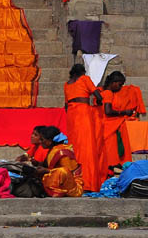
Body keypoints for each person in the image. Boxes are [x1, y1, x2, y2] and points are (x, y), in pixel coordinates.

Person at [64, 63, 105, 192]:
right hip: (83, 114)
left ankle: (74, 181)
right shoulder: (85, 79)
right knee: (87, 147)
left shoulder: (67, 84)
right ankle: (88, 183)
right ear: (83, 72)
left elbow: (66, 105)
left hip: (71, 115)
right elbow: (98, 95)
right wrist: (98, 102)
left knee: (74, 147)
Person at [20, 125, 83, 197]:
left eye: (42, 139)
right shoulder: (52, 150)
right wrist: (37, 163)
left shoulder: (63, 152)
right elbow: (50, 166)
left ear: (49, 141)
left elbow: (68, 174)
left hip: (74, 187)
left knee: (62, 171)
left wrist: (47, 171)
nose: (40, 142)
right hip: (59, 180)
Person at [101, 71, 145, 173]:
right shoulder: (108, 93)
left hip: (107, 124)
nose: (120, 88)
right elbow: (108, 111)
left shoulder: (103, 92)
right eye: (120, 85)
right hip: (109, 125)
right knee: (110, 150)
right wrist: (124, 112)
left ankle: (112, 168)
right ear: (114, 82)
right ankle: (111, 168)